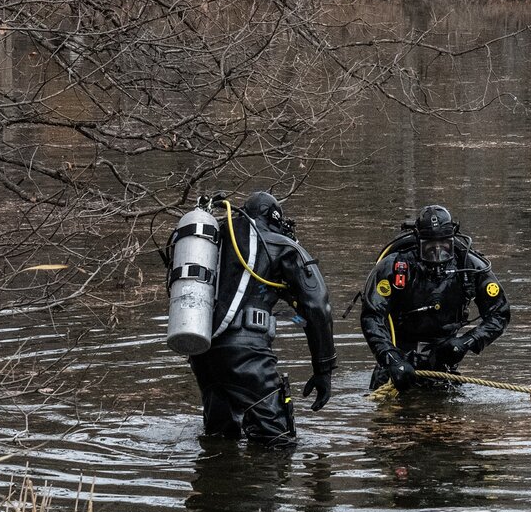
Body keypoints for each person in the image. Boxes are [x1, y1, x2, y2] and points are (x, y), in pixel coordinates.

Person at [186, 191, 336, 446]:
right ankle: (266, 481)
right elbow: (317, 307)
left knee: (220, 439)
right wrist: (323, 369)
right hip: (246, 355)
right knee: (277, 442)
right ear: (274, 217)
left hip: (202, 350)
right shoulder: (280, 245)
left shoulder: (216, 242)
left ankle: (214, 480)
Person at [360, 204, 510, 391]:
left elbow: (500, 313)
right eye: (430, 248)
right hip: (398, 358)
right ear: (419, 243)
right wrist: (390, 356)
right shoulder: (394, 266)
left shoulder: (469, 266)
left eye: (444, 248)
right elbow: (372, 315)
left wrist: (467, 341)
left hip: (445, 360)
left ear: (452, 242)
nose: (437, 255)